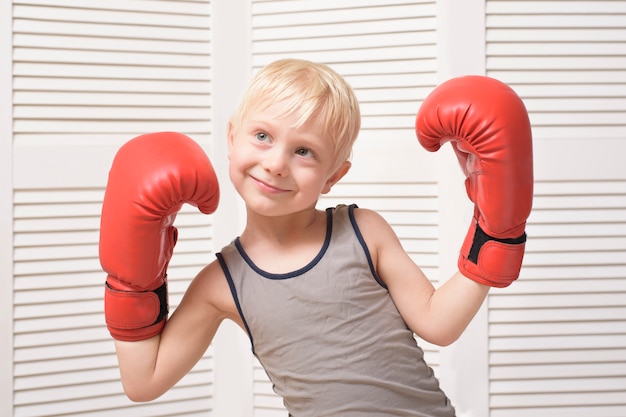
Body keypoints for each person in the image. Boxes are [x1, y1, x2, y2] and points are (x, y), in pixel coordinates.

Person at [99, 58, 533, 416]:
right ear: (232, 138)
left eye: (304, 151)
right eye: (263, 136)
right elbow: (143, 382)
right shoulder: (221, 283)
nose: (276, 163)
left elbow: (439, 324)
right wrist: (134, 282)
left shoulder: (363, 231)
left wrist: (496, 234)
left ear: (334, 176)